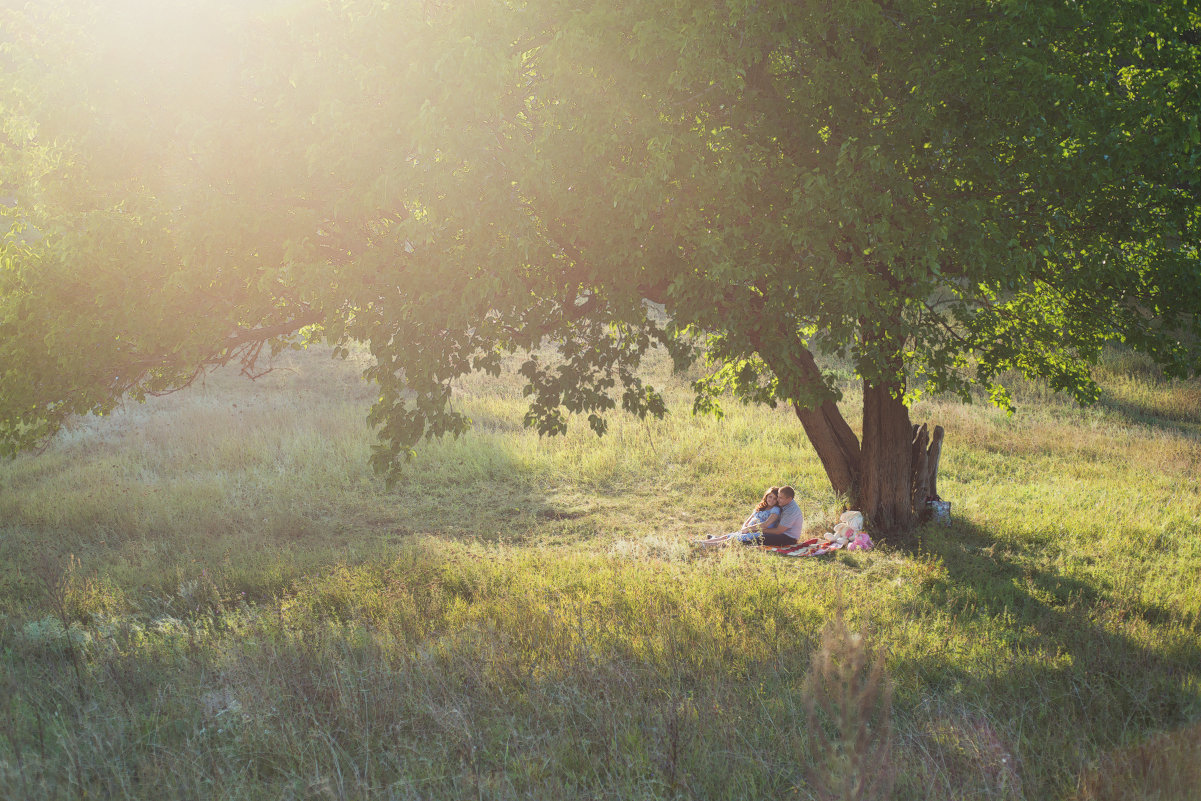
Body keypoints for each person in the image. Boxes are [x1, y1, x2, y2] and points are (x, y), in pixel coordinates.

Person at [700, 487, 781, 546]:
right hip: (747, 530)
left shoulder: (775, 509)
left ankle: (706, 545)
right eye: (770, 497)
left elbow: (765, 525)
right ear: (766, 496)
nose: (772, 500)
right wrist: (744, 528)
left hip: (758, 533)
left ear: (777, 500)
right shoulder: (761, 506)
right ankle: (701, 542)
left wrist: (747, 529)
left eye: (775, 498)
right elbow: (749, 519)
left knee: (731, 539)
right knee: (728, 536)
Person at [737, 485, 803, 546]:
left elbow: (778, 531)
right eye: (778, 497)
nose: (777, 500)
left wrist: (757, 529)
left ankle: (736, 542)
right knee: (753, 535)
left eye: (780, 498)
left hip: (788, 538)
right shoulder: (784, 504)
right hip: (779, 533)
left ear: (789, 499)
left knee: (758, 538)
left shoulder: (791, 510)